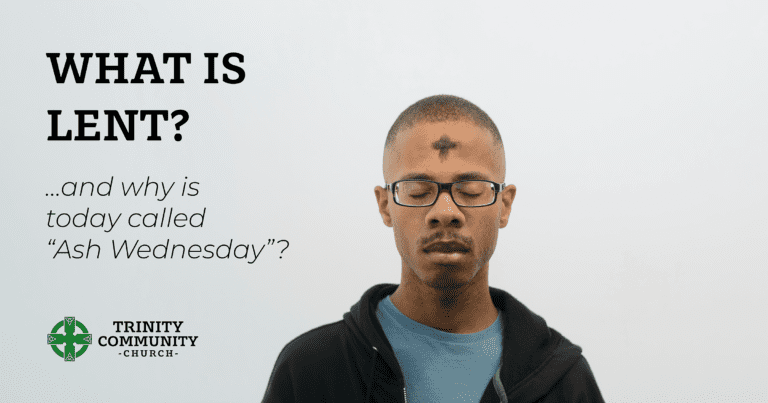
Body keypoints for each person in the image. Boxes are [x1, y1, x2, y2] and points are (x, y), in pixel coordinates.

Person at [262, 95, 605, 402]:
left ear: (505, 205)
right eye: (418, 190)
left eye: (471, 190)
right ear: (385, 206)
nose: (445, 213)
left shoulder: (563, 381)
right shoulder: (311, 371)